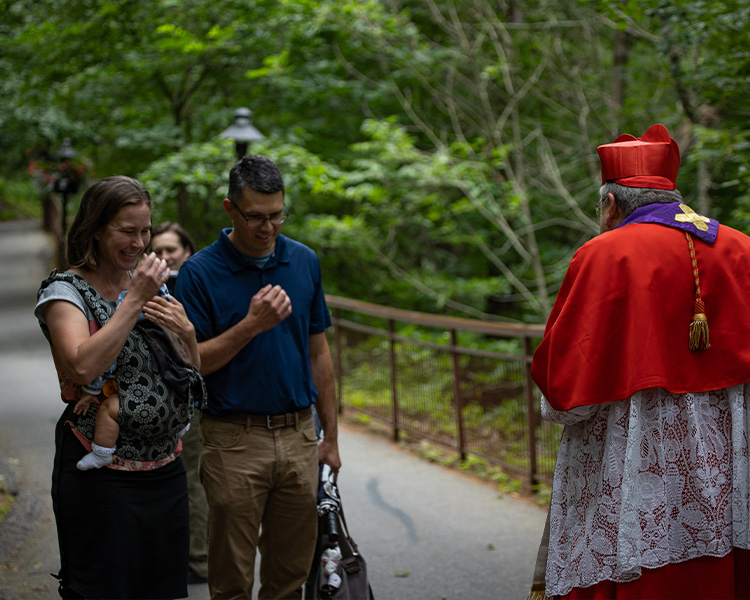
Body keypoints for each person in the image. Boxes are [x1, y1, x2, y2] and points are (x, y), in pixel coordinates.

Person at [529, 124, 750, 599]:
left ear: (610, 205)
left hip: (630, 464)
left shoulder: (603, 255)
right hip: (732, 468)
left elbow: (566, 390)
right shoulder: (741, 248)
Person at [174, 154, 342, 599]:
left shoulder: (304, 261)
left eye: (276, 215)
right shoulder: (199, 273)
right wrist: (252, 324)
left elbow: (319, 353)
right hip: (233, 439)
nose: (267, 227)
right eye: (255, 217)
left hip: (299, 434)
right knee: (232, 578)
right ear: (230, 210)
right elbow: (195, 365)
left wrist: (331, 439)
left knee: (289, 574)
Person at [35, 175, 201, 599]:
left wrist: (189, 335)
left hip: (165, 471)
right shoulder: (64, 292)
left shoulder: (152, 287)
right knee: (105, 589)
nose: (140, 243)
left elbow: (188, 374)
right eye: (127, 231)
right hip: (102, 479)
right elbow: (82, 366)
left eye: (145, 231)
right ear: (95, 228)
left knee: (165, 589)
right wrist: (133, 300)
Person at [152, 220, 209, 584]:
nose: (164, 256)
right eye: (156, 251)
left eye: (171, 250)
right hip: (155, 400)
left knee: (192, 478)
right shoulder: (147, 289)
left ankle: (199, 560)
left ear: (187, 251)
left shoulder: (197, 287)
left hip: (189, 397)